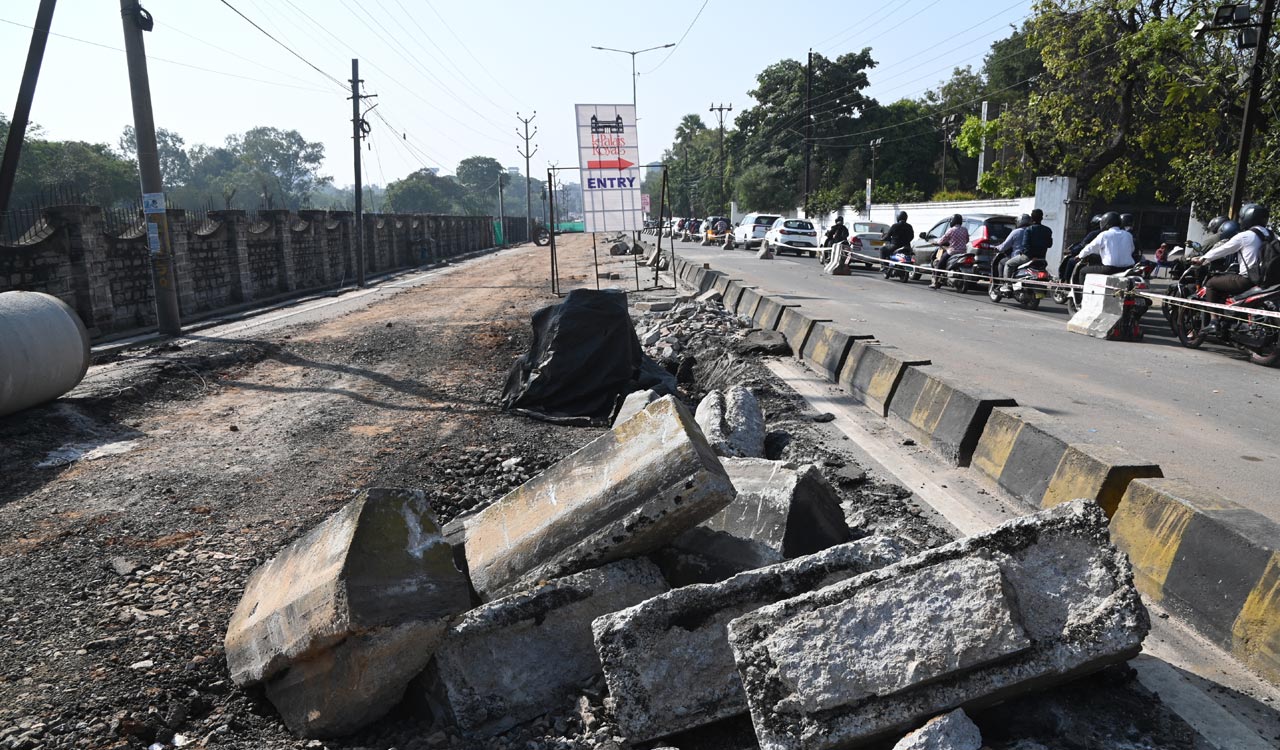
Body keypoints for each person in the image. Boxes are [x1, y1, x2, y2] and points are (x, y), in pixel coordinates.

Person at [1192, 203, 1272, 334]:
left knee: (1211, 283)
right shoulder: (1272, 235)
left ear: (1246, 217)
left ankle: (1214, 322)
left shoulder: (1246, 235)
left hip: (1247, 280)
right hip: (1268, 281)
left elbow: (1222, 250)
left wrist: (1202, 259)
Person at [1074, 211, 1134, 283]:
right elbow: (1132, 249)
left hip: (1110, 269)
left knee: (1082, 271)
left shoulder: (1104, 235)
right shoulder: (1128, 235)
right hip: (1128, 268)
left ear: (1107, 223)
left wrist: (1080, 256)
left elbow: (1090, 247)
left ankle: (1082, 293)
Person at [930, 214, 970, 289]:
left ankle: (935, 282)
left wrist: (936, 243)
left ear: (953, 221)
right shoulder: (965, 229)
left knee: (939, 264)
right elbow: (967, 240)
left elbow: (942, 240)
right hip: (963, 252)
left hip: (952, 252)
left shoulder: (951, 230)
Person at [995, 214, 1030, 284]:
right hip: (1030, 257)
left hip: (1017, 256)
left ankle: (1004, 283)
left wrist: (997, 248)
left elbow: (1004, 246)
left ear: (1020, 221)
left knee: (1002, 262)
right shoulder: (1031, 231)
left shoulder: (1016, 232)